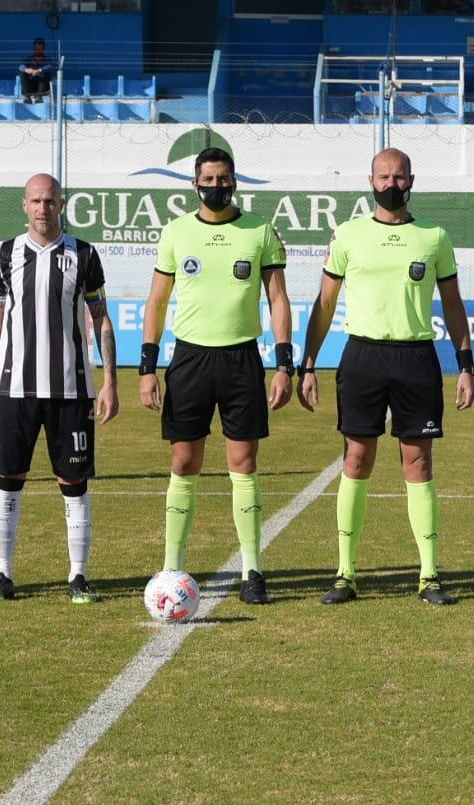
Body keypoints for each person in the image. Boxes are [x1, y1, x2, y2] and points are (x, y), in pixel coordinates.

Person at [297, 147, 474, 607]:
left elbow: (454, 306)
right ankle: (345, 573)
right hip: (363, 357)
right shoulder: (349, 234)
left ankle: (430, 574)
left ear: (411, 180)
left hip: (416, 358)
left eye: (399, 177)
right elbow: (325, 303)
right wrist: (308, 362)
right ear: (370, 181)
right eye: (383, 176)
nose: (391, 184)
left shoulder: (434, 237)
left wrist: (466, 365)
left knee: (418, 465)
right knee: (356, 460)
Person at [139, 147, 292, 605]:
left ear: (234, 182)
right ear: (194, 184)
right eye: (208, 179)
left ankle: (253, 570)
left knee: (243, 465)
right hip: (189, 361)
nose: (216, 186)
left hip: (242, 359)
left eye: (223, 178)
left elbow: (279, 300)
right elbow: (156, 302)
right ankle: (172, 567)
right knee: (185, 463)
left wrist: (284, 363)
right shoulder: (176, 232)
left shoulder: (260, 231)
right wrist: (148, 367)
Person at [0, 173, 118, 604]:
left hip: (71, 390)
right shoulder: (5, 254)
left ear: (62, 205)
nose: (43, 208)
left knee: (73, 482)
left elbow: (101, 318)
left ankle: (78, 576)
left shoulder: (84, 254)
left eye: (50, 201)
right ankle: (3, 575)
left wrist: (110, 381)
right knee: (8, 481)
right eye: (36, 200)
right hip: (14, 388)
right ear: (24, 205)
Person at [18, 38, 54, 103]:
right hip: (31, 86)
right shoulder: (29, 59)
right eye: (36, 49)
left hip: (42, 87)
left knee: (44, 73)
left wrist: (39, 70)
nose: (38, 51)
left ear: (43, 49)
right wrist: (28, 70)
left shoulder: (47, 59)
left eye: (40, 49)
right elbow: (21, 66)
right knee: (22, 73)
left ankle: (39, 97)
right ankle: (27, 97)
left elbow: (50, 66)